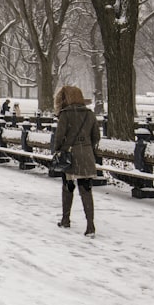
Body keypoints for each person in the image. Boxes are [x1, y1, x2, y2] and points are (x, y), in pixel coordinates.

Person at [52, 85, 101, 237]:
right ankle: (90, 225)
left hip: (70, 155)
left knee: (68, 186)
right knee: (86, 189)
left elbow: (59, 137)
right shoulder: (89, 114)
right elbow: (96, 136)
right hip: (86, 155)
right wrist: (86, 146)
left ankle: (66, 219)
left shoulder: (65, 115)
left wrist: (58, 150)